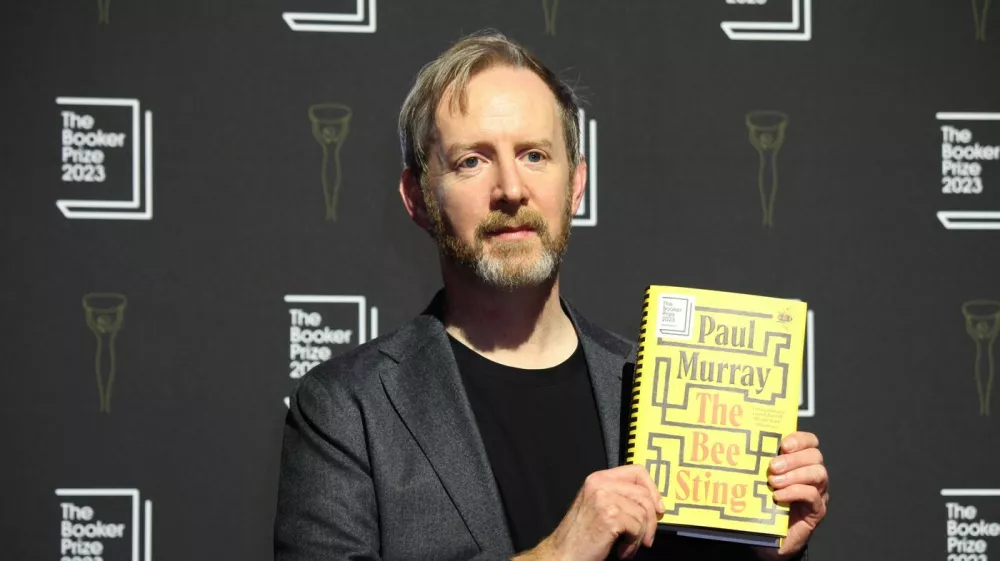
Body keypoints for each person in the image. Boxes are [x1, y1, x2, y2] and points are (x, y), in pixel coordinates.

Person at [274, 30, 829, 561]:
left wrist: (764, 550)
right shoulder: (347, 409)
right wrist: (557, 554)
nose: (511, 189)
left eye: (534, 155)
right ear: (418, 198)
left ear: (577, 185)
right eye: (472, 161)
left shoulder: (655, 390)